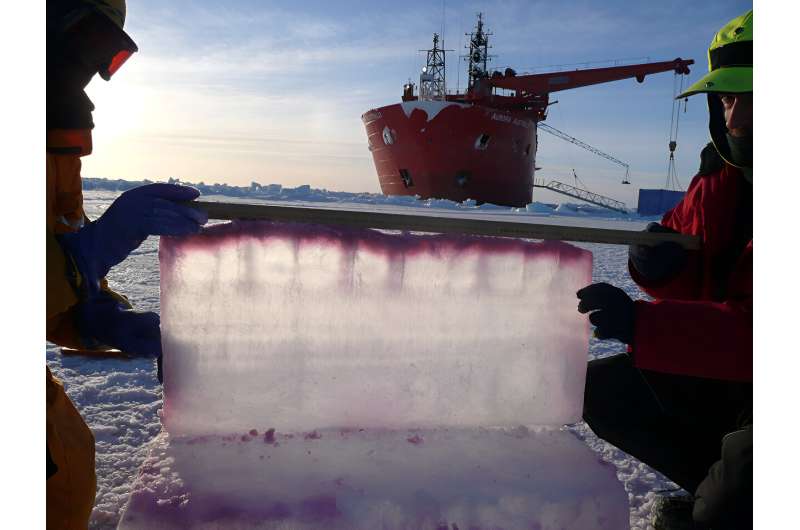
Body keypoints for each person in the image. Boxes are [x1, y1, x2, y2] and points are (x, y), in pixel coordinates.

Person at [575, 10, 753, 529]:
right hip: (736, 376)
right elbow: (689, 263)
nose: (737, 116)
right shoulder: (721, 178)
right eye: (726, 98)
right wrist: (650, 263)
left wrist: (643, 325)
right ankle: (712, 496)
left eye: (755, 97)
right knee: (594, 389)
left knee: (739, 500)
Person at [46, 1, 207, 527]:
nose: (90, 67)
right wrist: (83, 259)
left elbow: (53, 250)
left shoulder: (54, 129)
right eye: (86, 39)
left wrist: (94, 314)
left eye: (107, 51)